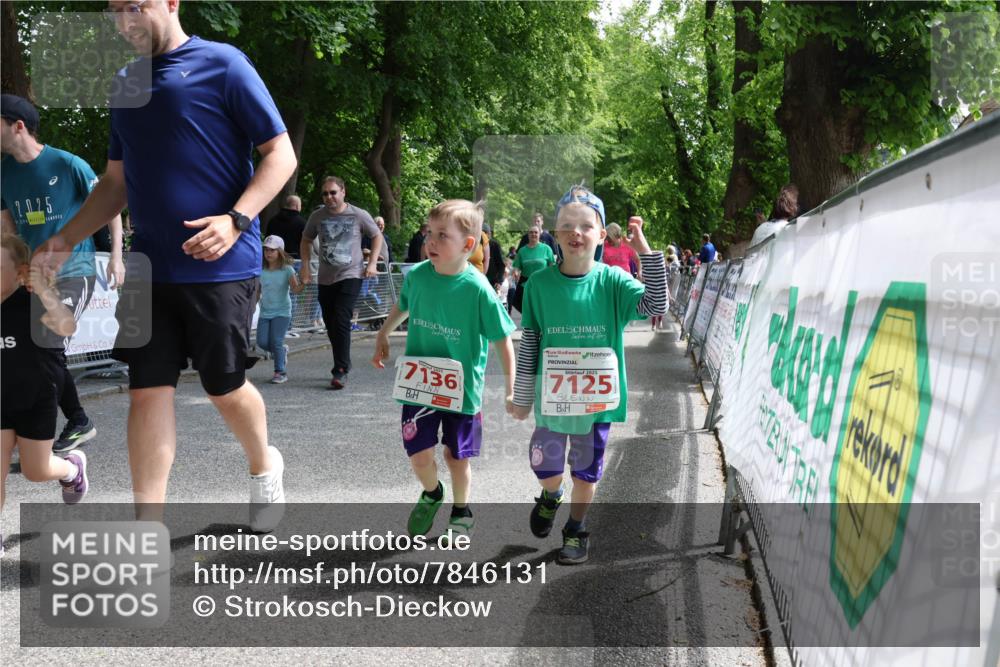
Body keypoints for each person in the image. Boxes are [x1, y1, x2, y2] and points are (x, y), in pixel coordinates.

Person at [33, 0, 297, 531]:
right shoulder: (125, 82)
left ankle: (265, 463)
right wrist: (63, 240)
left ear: (171, 3)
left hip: (219, 266)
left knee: (224, 387)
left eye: (136, 7)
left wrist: (236, 220)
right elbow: (115, 184)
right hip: (149, 267)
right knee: (147, 389)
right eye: (114, 12)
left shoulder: (224, 63)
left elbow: (281, 153)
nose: (124, 22)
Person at [507, 188, 667, 565]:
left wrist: (645, 252)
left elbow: (656, 304)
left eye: (585, 225)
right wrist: (522, 395)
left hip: (595, 405)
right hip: (553, 400)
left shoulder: (612, 281)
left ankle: (576, 528)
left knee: (586, 472)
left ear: (600, 234)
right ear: (555, 236)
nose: (575, 232)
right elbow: (530, 341)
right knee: (543, 465)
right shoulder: (539, 286)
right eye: (566, 226)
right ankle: (550, 495)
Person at [372, 200, 515, 541]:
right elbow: (402, 306)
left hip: (462, 391)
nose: (430, 242)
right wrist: (382, 333)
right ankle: (433, 492)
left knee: (456, 456)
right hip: (418, 385)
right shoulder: (419, 276)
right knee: (419, 455)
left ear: (468, 245)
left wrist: (512, 387)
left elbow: (502, 340)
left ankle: (462, 509)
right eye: (429, 234)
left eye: (441, 236)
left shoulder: (478, 289)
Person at [1, 94, 126, 454]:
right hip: (31, 275)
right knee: (20, 349)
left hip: (75, 270)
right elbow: (6, 229)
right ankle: (65, 423)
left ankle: (66, 425)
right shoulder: (3, 173)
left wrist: (116, 258)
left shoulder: (67, 164)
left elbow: (110, 206)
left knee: (47, 339)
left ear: (17, 125)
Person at [2, 234, 89, 532]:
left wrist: (40, 287)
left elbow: (66, 325)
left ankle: (71, 468)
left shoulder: (32, 302)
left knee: (36, 472)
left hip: (35, 399)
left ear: (19, 272)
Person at [300, 176, 381, 390]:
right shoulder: (317, 216)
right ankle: (343, 361)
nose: (329, 197)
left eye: (333, 192)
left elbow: (376, 235)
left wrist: (371, 263)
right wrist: (306, 267)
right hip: (326, 277)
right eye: (325, 193)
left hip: (351, 274)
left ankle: (340, 370)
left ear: (343, 192)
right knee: (331, 322)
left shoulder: (357, 215)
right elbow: (306, 239)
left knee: (342, 317)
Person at [258, 235, 303, 384]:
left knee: (276, 341)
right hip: (265, 311)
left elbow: (296, 289)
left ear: (280, 252)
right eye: (266, 250)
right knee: (262, 342)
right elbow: (258, 291)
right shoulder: (261, 270)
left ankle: (280, 372)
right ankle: (282, 351)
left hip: (282, 312)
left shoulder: (287, 270)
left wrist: (304, 281)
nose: (268, 253)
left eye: (272, 250)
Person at [509, 226, 556, 314]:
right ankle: (529, 324)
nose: (533, 234)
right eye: (531, 232)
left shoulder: (546, 249)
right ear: (528, 235)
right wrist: (515, 272)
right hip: (526, 284)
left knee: (541, 308)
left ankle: (541, 324)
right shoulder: (522, 251)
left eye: (535, 232)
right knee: (526, 307)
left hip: (543, 284)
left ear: (539, 234)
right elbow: (517, 267)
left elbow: (552, 266)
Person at [264, 195, 307, 259]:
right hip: (294, 259)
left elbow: (267, 240)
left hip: (275, 258)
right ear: (297, 206)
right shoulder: (302, 223)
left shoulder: (273, 220)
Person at [483, 223, 505, 289]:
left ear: (489, 234)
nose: (483, 235)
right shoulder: (476, 245)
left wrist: (499, 281)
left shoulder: (494, 245)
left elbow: (501, 264)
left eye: (485, 232)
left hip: (492, 281)